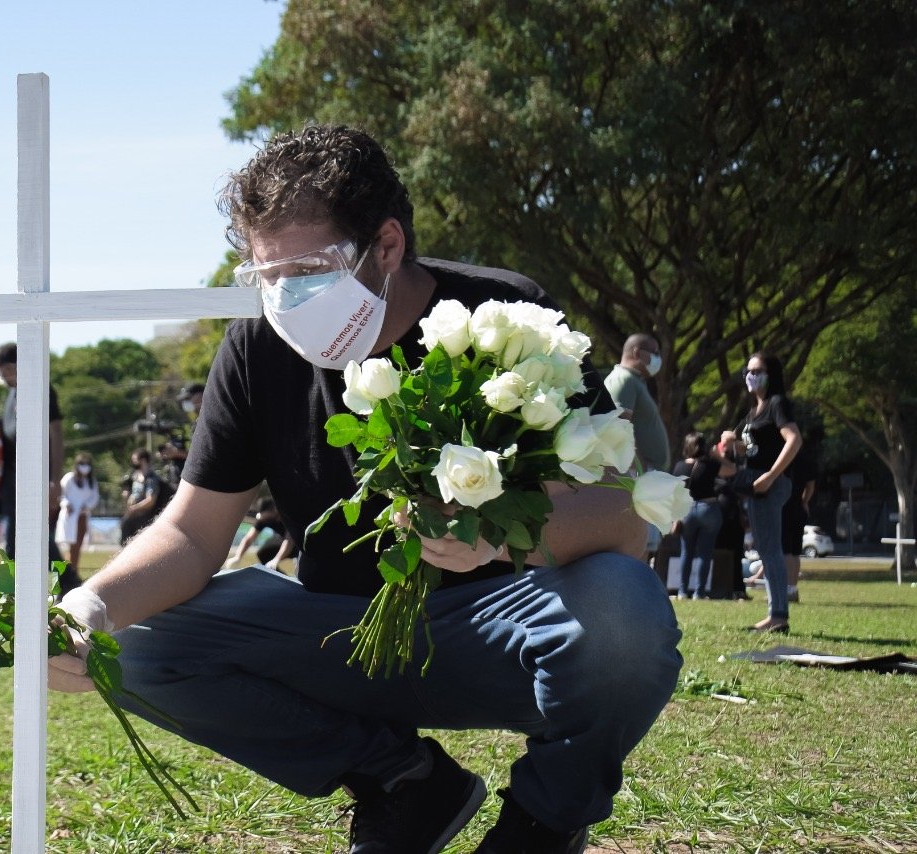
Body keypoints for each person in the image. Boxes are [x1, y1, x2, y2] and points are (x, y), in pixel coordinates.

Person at [47, 125, 682, 853]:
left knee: (625, 611)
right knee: (131, 641)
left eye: (311, 267)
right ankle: (406, 784)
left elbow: (622, 515)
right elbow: (191, 533)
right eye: (266, 275)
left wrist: (501, 534)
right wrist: (89, 606)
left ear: (386, 245)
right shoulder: (255, 347)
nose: (286, 297)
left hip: (493, 634)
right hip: (335, 634)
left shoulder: (508, 320)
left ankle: (543, 820)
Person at [720, 351, 803, 633]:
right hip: (755, 486)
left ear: (771, 375)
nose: (750, 375)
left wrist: (770, 476)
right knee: (765, 550)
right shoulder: (754, 410)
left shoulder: (777, 404)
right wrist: (733, 442)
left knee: (771, 549)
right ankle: (775, 613)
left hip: (770, 485)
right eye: (748, 370)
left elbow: (794, 439)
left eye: (757, 371)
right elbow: (754, 447)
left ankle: (778, 615)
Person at [0, 343, 79, 592]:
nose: (4, 376)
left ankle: (67, 585)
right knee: (21, 540)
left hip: (36, 477)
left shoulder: (40, 387)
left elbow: (56, 434)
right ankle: (33, 589)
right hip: (11, 479)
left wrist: (54, 479)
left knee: (33, 538)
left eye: (6, 369)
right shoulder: (11, 394)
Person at [670, 432, 728, 599]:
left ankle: (682, 591)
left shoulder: (679, 466)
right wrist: (717, 455)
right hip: (708, 508)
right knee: (705, 552)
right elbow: (731, 470)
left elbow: (675, 493)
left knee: (686, 552)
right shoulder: (710, 464)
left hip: (686, 510)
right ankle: (699, 592)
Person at [603, 334, 670, 474]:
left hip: (650, 473)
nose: (659, 359)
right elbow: (619, 428)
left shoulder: (634, 380)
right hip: (642, 475)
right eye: (655, 353)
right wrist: (639, 470)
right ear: (637, 352)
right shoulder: (623, 380)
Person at [779, 440, 817, 604]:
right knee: (795, 551)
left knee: (785, 550)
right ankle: (792, 588)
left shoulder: (782, 457)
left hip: (784, 506)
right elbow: (811, 485)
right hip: (798, 507)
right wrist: (804, 501)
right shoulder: (806, 460)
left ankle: (785, 588)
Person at [55, 452, 100, 573]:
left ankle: (73, 571)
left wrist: (87, 506)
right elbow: (61, 494)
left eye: (87, 464)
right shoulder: (69, 478)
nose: (85, 467)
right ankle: (68, 573)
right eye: (82, 464)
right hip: (70, 516)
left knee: (78, 547)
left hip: (83, 516)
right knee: (71, 547)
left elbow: (94, 497)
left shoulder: (91, 481)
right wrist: (66, 504)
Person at [224, 497, 298, 570]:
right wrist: (237, 556)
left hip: (300, 542)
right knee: (263, 554)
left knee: (302, 571)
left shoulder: (286, 514)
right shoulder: (264, 519)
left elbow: (289, 541)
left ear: (274, 509)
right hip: (283, 538)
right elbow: (249, 539)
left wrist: (276, 559)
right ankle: (277, 577)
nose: (264, 520)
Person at [118, 448, 165, 545]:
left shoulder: (151, 479)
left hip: (143, 516)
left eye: (135, 460)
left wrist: (135, 508)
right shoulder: (134, 476)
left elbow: (150, 500)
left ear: (143, 460)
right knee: (125, 543)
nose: (133, 463)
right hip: (132, 515)